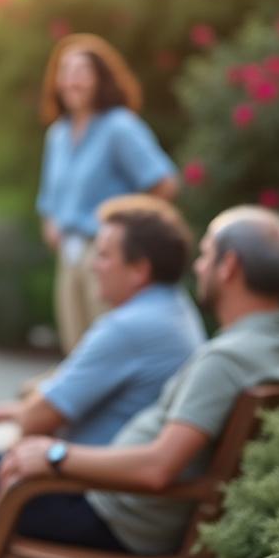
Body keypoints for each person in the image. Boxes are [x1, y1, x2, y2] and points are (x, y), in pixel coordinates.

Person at [0, 205, 279, 555]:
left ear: (228, 266)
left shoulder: (225, 360)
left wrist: (56, 454)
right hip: (119, 505)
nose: (199, 267)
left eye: (206, 255)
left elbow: (158, 468)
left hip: (110, 518)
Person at [37, 33, 179, 353]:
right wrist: (51, 224)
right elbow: (50, 198)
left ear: (100, 79)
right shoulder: (57, 134)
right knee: (75, 349)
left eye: (81, 71)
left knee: (107, 346)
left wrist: (130, 233)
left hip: (105, 252)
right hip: (68, 256)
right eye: (66, 71)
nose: (72, 80)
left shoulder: (119, 127)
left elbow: (164, 183)